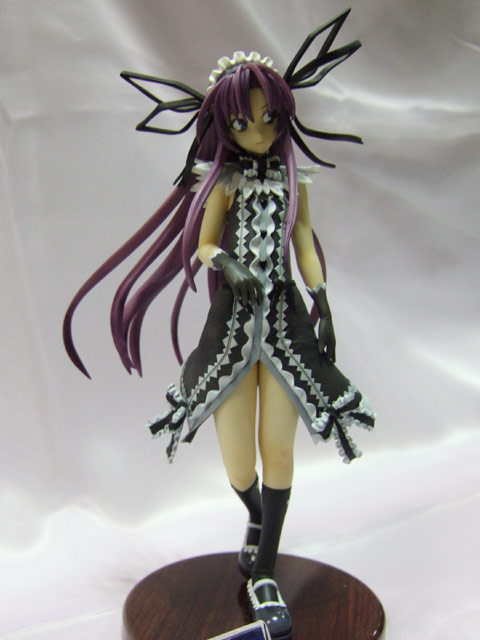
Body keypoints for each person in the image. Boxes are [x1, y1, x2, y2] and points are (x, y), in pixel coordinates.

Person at [63, 11, 375, 639]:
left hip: (286, 330)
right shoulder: (223, 182)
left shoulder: (294, 181)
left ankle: (266, 570)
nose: (259, 131)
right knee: (237, 463)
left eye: (269, 118)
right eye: (242, 121)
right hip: (231, 332)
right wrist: (227, 262)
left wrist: (323, 298)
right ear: (222, 125)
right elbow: (204, 243)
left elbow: (305, 242)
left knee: (279, 450)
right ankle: (256, 515)